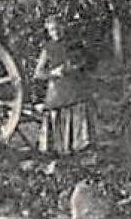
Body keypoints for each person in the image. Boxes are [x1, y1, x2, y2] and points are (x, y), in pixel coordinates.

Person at [33, 15, 96, 154]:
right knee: (57, 112)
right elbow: (38, 73)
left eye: (57, 28)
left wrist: (74, 67)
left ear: (63, 27)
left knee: (79, 108)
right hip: (57, 90)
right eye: (52, 30)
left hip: (74, 88)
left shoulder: (74, 44)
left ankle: (80, 149)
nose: (55, 32)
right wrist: (53, 73)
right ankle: (60, 152)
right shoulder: (47, 49)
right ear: (48, 32)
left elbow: (85, 62)